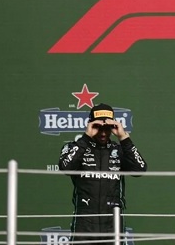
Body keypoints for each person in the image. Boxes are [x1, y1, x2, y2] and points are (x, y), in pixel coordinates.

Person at [58, 103, 147, 244]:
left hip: (112, 222)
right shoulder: (75, 147)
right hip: (84, 222)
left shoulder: (119, 150)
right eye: (98, 127)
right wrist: (86, 138)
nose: (103, 133)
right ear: (90, 125)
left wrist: (124, 138)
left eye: (107, 128)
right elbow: (65, 167)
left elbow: (140, 169)